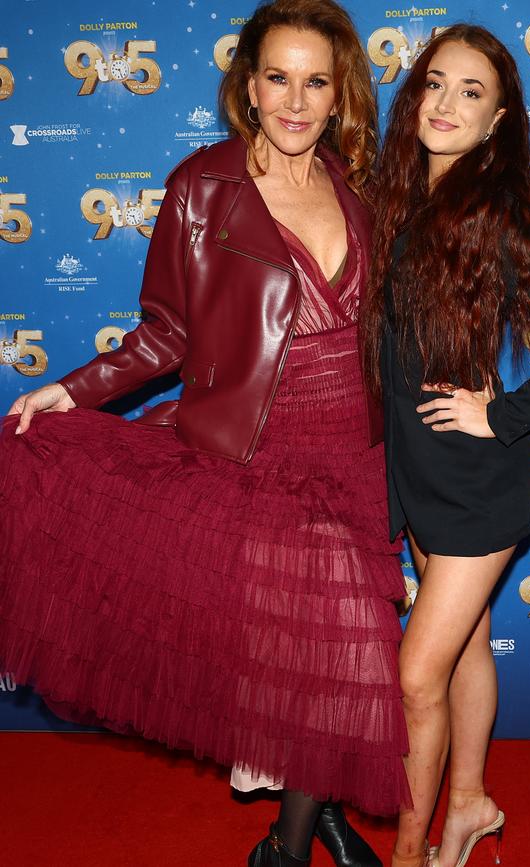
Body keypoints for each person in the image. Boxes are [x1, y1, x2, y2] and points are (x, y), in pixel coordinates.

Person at [0, 2, 412, 865]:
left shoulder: (357, 184)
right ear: (247, 86)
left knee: (329, 663)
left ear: (338, 96)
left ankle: (319, 808)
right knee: (312, 653)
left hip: (356, 453)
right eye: (277, 78)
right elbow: (165, 334)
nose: (295, 102)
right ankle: (286, 848)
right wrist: (71, 392)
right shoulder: (202, 186)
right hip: (258, 455)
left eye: (315, 82)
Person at [361, 24, 530, 867]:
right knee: (467, 644)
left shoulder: (493, 212)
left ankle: (409, 853)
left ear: (500, 117)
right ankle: (469, 804)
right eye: (435, 84)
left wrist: (505, 416)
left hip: (479, 486)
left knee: (414, 678)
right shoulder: (397, 202)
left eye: (471, 92)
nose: (445, 104)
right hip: (422, 478)